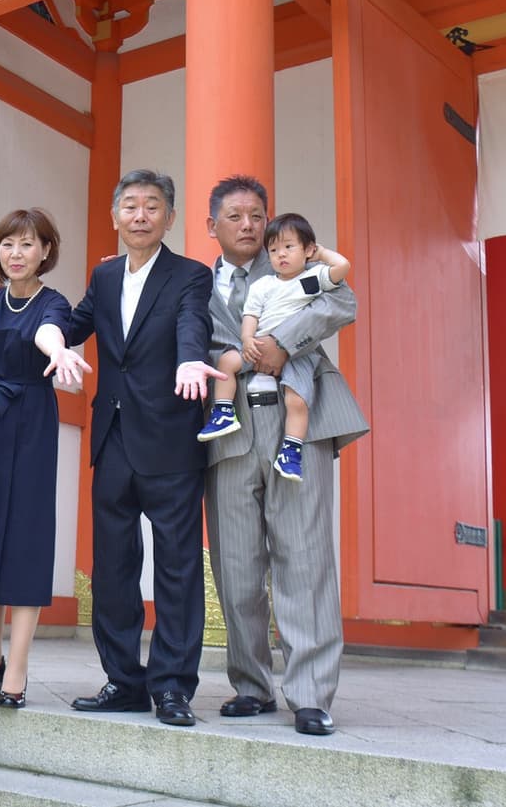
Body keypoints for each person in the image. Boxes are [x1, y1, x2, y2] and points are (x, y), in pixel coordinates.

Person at [45, 169, 220, 728]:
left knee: (177, 568)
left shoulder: (190, 275)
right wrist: (28, 314)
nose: (140, 216)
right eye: (130, 206)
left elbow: (192, 325)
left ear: (170, 217)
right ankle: (123, 680)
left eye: (152, 206)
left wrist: (190, 360)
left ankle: (171, 687)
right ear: (115, 216)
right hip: (114, 439)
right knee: (113, 570)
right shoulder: (103, 276)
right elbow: (72, 323)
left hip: (170, 438)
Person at [202, 176, 368, 737]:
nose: (248, 225)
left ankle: (311, 694)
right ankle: (251, 685)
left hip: (298, 419)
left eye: (257, 215)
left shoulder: (294, 265)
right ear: (212, 226)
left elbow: (342, 300)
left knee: (305, 556)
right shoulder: (192, 283)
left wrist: (284, 340)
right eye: (234, 216)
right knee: (236, 565)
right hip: (228, 430)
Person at [0, 209, 86, 709]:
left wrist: (60, 351)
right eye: (8, 244)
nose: (16, 253)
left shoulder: (54, 303)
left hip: (31, 424)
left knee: (26, 541)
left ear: (46, 251)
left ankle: (19, 667)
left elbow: (49, 333)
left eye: (28, 244)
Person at [199, 214, 351, 483]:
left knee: (297, 399)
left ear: (307, 249)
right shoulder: (263, 285)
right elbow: (251, 315)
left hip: (297, 357)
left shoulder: (310, 278)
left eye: (289, 247)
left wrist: (321, 254)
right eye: (273, 250)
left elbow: (342, 271)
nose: (281, 254)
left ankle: (291, 449)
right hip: (256, 346)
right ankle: (223, 411)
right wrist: (247, 338)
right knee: (227, 362)